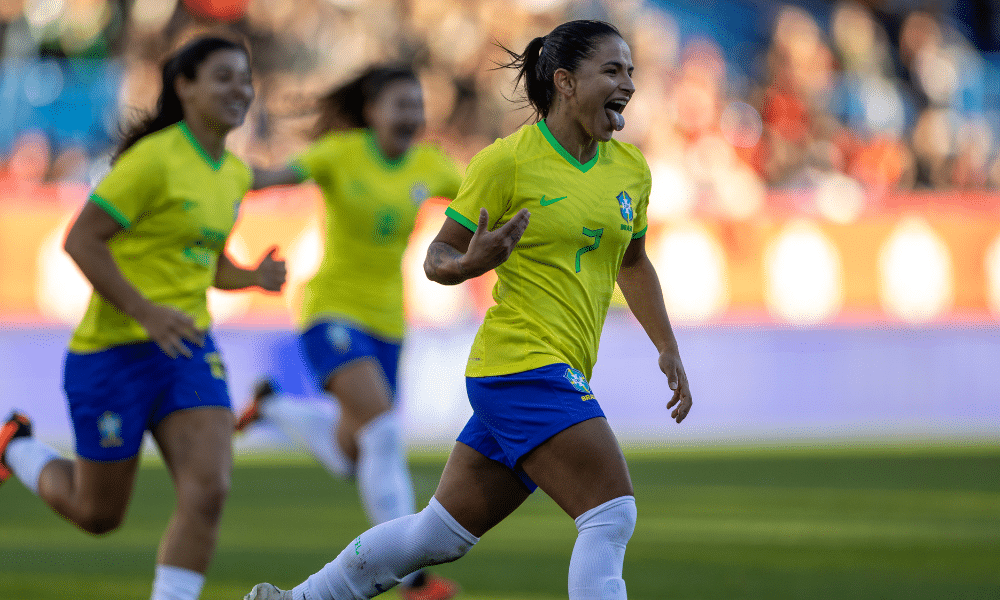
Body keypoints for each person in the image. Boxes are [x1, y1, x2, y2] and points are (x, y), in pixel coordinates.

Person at [241, 19, 693, 600]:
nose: (628, 81)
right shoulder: (506, 163)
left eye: (630, 70)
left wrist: (667, 344)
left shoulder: (631, 170)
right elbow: (439, 257)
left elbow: (633, 263)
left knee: (435, 536)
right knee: (610, 513)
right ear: (565, 82)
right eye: (612, 69)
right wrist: (471, 260)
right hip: (520, 366)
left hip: (548, 369)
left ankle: (297, 599)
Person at [0, 36, 286, 600]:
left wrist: (249, 277)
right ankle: (15, 445)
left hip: (186, 349)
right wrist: (144, 311)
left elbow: (203, 261)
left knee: (208, 490)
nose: (240, 89)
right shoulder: (152, 160)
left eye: (245, 78)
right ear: (185, 86)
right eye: (224, 77)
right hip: (114, 354)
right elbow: (80, 240)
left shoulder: (231, 174)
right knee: (97, 513)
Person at [235, 65, 463, 600]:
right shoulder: (341, 153)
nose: (411, 116)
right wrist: (216, 173)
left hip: (388, 322)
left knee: (353, 455)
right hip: (330, 311)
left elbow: (490, 188)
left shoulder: (430, 164)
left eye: (417, 105)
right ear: (370, 112)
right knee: (381, 429)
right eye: (399, 105)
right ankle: (416, 581)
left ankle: (269, 408)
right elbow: (274, 178)